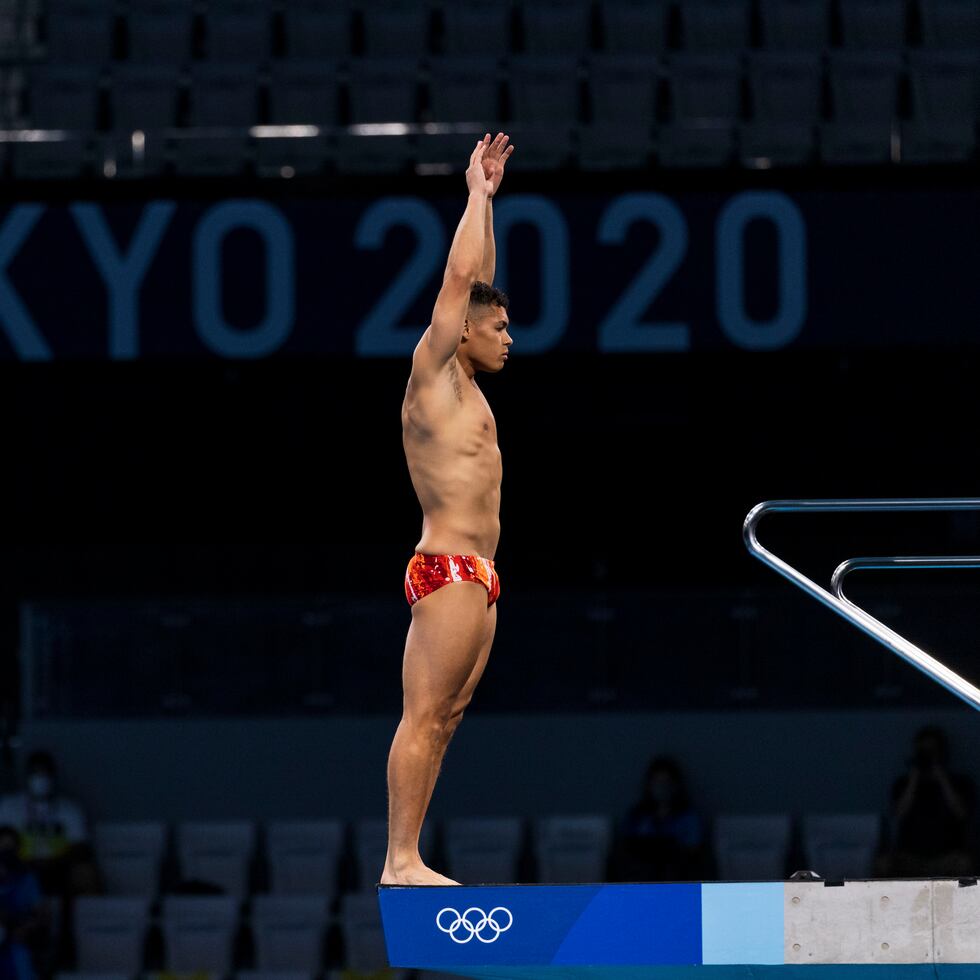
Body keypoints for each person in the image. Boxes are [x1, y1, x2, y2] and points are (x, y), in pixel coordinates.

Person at [381, 133, 515, 887]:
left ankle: (411, 855)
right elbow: (465, 278)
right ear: (462, 328)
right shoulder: (433, 372)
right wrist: (477, 195)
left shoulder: (467, 382)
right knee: (424, 718)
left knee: (447, 721)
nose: (509, 337)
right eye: (498, 326)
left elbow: (481, 277)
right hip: (448, 567)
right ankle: (400, 860)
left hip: (481, 575)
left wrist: (488, 210)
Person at [875, 725, 977, 877]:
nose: (927, 756)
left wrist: (941, 776)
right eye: (923, 751)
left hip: (947, 854)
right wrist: (914, 778)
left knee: (966, 862)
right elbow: (899, 814)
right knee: (883, 863)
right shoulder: (903, 783)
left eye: (931, 751)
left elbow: (962, 813)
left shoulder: (960, 782)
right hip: (911, 855)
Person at [0, 750, 91, 896]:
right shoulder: (8, 806)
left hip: (59, 868)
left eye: (45, 773)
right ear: (27, 776)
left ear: (53, 776)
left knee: (84, 873)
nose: (40, 779)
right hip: (18, 868)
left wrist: (53, 862)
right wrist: (21, 863)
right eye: (36, 773)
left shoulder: (70, 809)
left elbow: (81, 847)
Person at [614, 755, 706, 882]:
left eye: (666, 782)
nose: (662, 787)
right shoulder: (637, 816)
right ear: (649, 785)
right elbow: (625, 848)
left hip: (677, 879)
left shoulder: (688, 817)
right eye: (657, 782)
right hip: (641, 879)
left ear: (676, 785)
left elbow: (694, 850)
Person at [0, 825, 47, 980]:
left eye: (9, 849)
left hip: (17, 940)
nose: (5, 855)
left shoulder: (27, 880)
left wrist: (25, 928)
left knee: (20, 957)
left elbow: (40, 914)